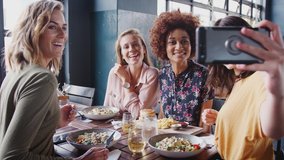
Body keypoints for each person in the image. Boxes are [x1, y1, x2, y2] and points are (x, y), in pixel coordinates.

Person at [0, 1, 108, 160]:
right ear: (33, 31)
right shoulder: (42, 78)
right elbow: (11, 156)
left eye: (64, 27)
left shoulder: (15, 71)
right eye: (52, 26)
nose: (63, 35)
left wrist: (55, 122)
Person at [204, 16, 284, 159]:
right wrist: (220, 118)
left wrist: (276, 95)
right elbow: (249, 123)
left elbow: (273, 129)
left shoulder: (261, 77)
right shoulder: (238, 81)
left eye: (230, 42)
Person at [149, 10, 213, 127]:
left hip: (194, 140)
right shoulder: (163, 73)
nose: (179, 47)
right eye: (172, 42)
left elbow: (205, 127)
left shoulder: (204, 75)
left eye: (184, 41)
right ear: (164, 46)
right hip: (165, 140)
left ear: (192, 44)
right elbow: (163, 114)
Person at [104, 28, 159, 119]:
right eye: (126, 47)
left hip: (142, 130)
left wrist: (126, 81)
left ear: (144, 49)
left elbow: (137, 115)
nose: (131, 49)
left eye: (135, 45)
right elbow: (107, 110)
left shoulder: (152, 74)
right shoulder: (114, 73)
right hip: (114, 129)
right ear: (121, 54)